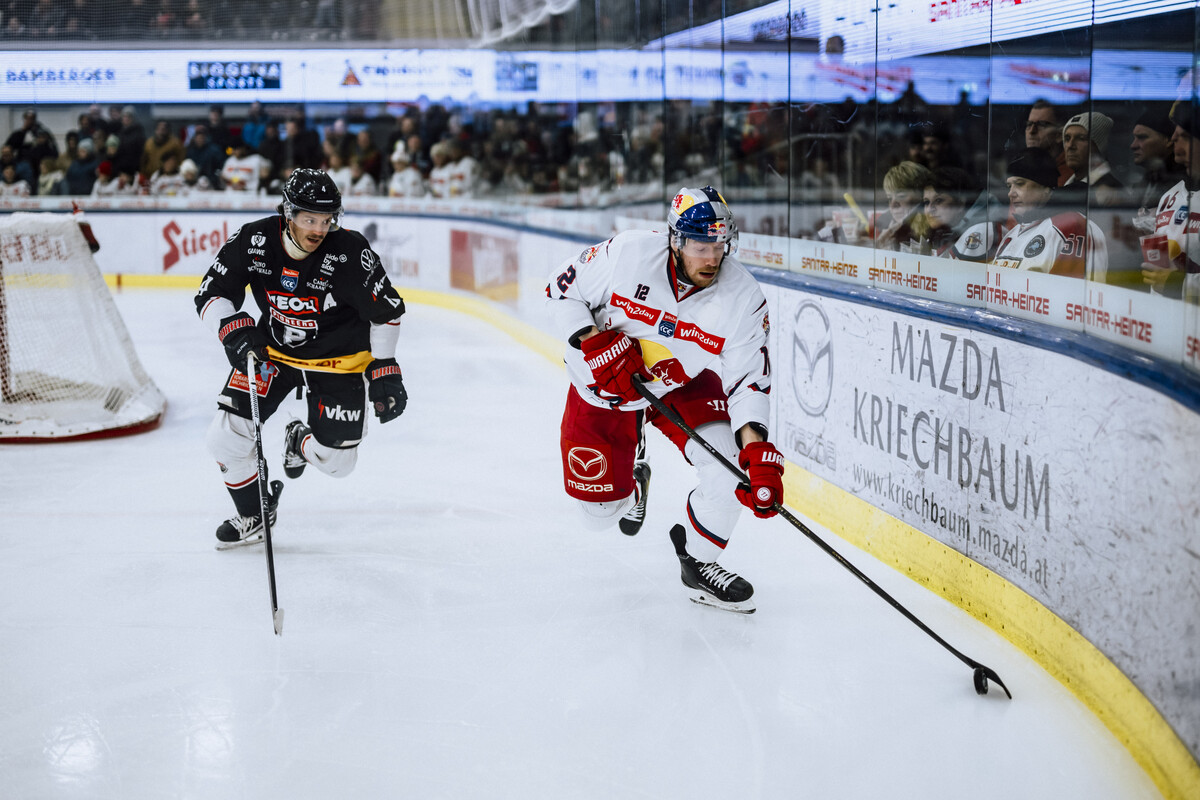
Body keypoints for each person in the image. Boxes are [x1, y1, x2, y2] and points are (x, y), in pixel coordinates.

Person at [545, 186, 782, 614]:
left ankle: (698, 566)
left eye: (719, 244)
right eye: (699, 243)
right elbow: (561, 289)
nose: (712, 257)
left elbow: (749, 382)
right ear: (675, 239)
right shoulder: (628, 254)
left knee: (729, 473)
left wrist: (757, 450)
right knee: (597, 515)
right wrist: (593, 341)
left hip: (679, 385)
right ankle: (634, 480)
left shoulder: (744, 298)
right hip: (605, 389)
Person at [193, 169, 409, 546]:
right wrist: (232, 328)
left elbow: (386, 312)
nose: (318, 229)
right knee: (224, 439)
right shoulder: (255, 239)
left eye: (327, 220)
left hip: (340, 362)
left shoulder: (350, 251)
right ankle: (254, 514)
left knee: (339, 465)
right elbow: (212, 292)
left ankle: (299, 441)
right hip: (274, 353)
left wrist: (385, 370)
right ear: (287, 213)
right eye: (309, 219)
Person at [992, 148, 1108, 280]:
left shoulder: (1071, 226)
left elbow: (1072, 296)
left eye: (1019, 184)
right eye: (1009, 186)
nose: (1011, 193)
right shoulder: (1011, 235)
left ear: (1045, 187)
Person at [1141, 100, 1200, 299]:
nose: (1173, 138)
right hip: (1163, 321)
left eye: (1184, 136)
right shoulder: (1170, 196)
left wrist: (1176, 283)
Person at [922, 167, 1001, 262]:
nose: (930, 209)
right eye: (926, 202)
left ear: (960, 202)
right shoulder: (939, 234)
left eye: (938, 200)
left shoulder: (981, 232)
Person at [1061, 111, 1126, 207]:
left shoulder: (1111, 193)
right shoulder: (1068, 186)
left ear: (1100, 146)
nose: (1070, 145)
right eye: (1067, 138)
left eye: (1081, 138)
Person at [1024, 99, 1073, 186]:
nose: (1032, 131)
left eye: (1041, 124)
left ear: (1060, 135)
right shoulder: (1028, 168)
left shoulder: (1072, 175)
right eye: (1029, 124)